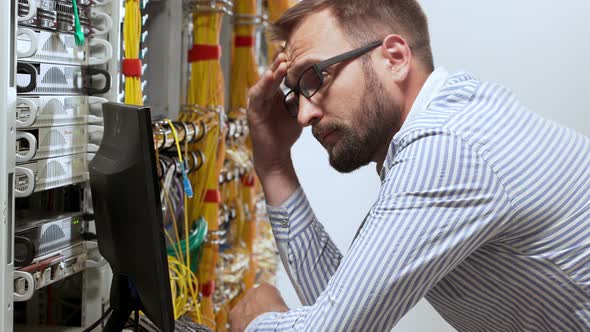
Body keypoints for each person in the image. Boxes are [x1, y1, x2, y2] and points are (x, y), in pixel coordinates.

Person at [229, 0, 590, 331]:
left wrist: (257, 321)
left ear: (396, 58)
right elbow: (344, 305)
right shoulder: (446, 125)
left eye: (315, 77)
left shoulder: (447, 147)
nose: (304, 115)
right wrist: (274, 163)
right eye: (295, 97)